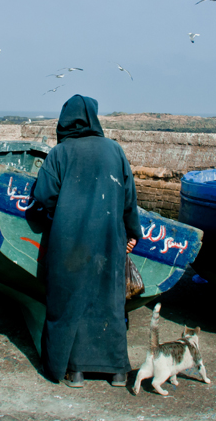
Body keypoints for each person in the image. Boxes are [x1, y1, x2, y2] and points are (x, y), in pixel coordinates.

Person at [31, 94, 142, 388]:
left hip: (69, 239)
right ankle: (118, 371)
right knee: (109, 300)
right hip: (109, 239)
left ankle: (75, 371)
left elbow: (43, 195)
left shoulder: (60, 153)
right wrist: (132, 233)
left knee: (70, 300)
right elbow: (129, 199)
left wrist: (64, 210)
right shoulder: (114, 150)